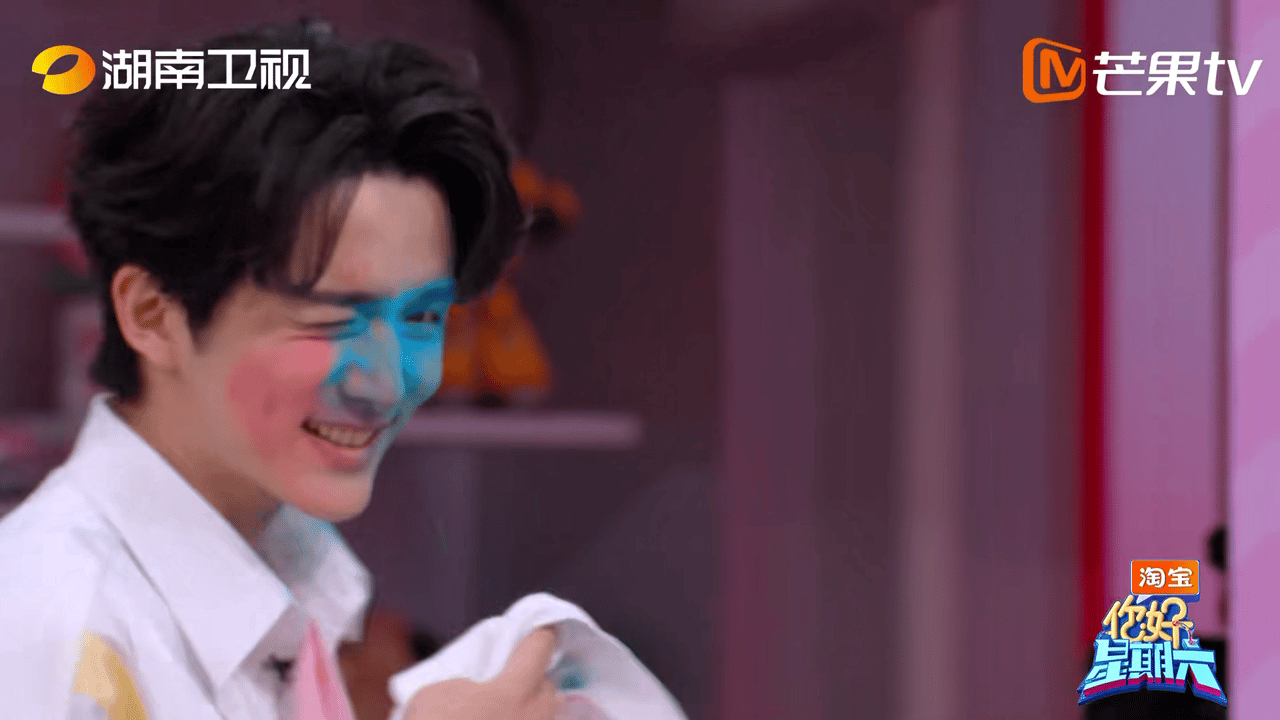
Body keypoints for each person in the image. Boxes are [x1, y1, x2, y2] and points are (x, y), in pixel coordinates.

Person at [0, 18, 560, 720]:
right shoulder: (51, 631)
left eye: (422, 317)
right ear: (153, 314)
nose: (387, 381)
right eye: (330, 318)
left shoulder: (298, 572)